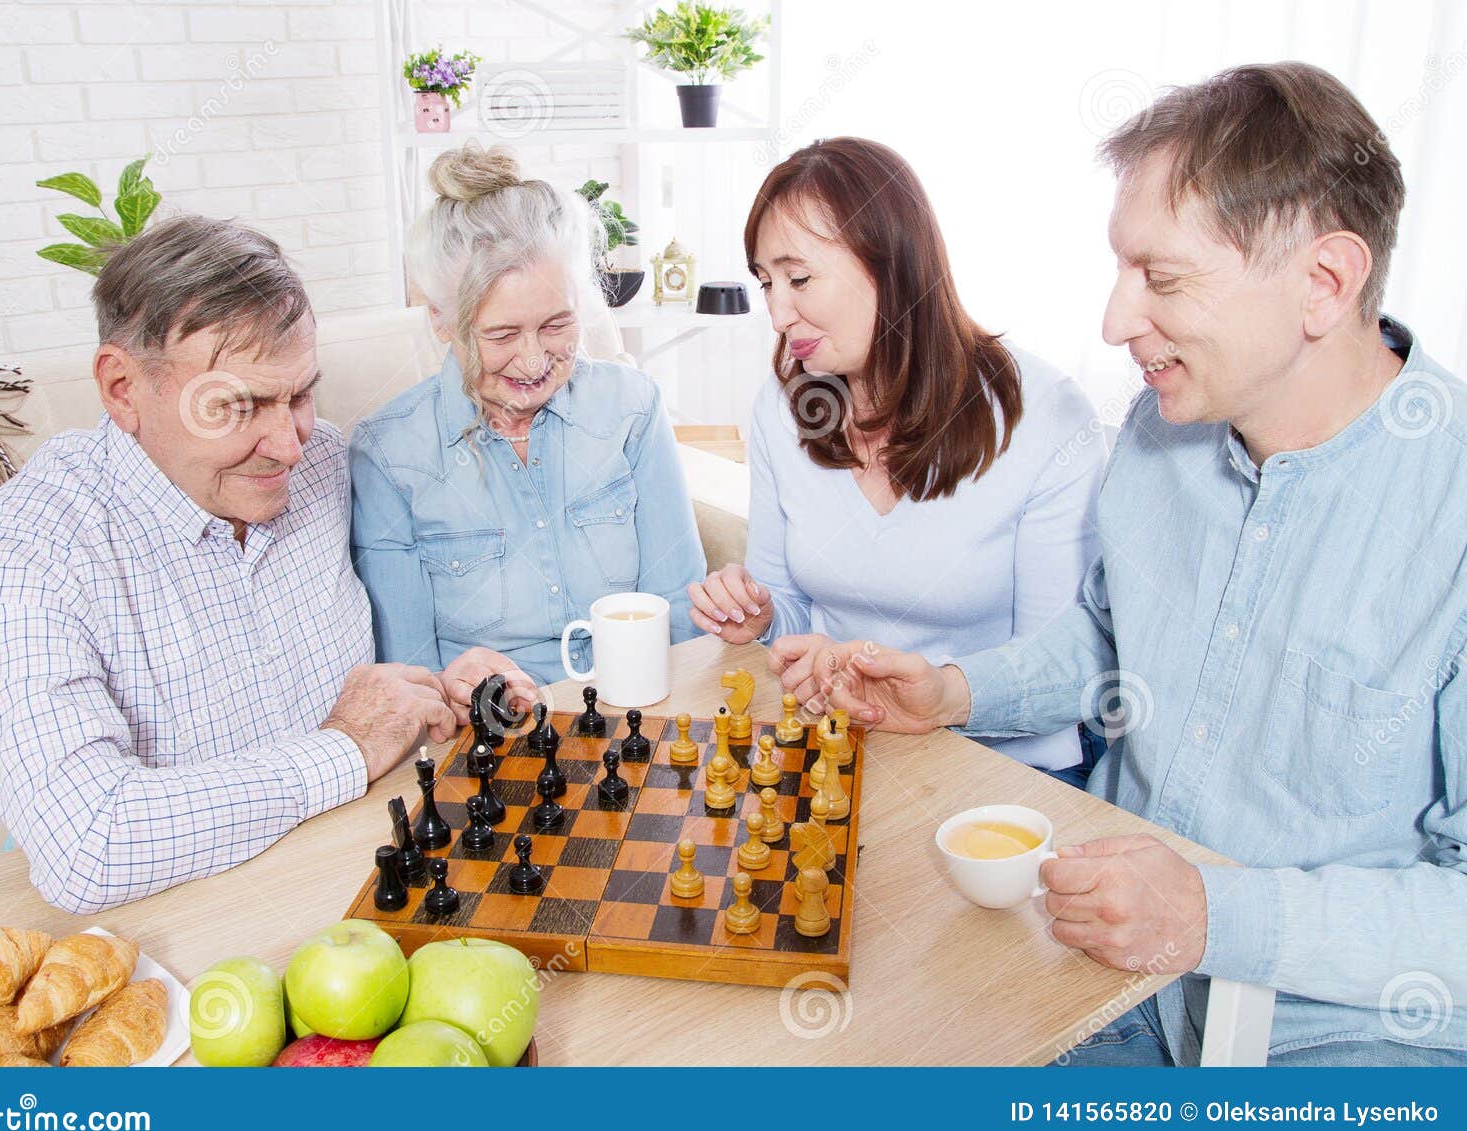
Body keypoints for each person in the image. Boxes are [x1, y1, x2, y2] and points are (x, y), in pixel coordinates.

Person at [790, 64, 1466, 1065]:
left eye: (1162, 276)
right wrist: (949, 690)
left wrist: (1212, 911)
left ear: (1324, 282)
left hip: (1338, 1037)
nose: (1114, 320)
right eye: (1120, 270)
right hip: (1104, 984)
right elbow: (1112, 634)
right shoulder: (1162, 430)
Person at [0, 217, 458, 915]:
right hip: (178, 923)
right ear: (122, 387)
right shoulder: (28, 545)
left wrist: (439, 688)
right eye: (236, 405)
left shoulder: (323, 464)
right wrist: (344, 748)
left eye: (301, 394)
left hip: (365, 877)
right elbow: (86, 842)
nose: (288, 444)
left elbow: (390, 667)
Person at [687, 137, 1105, 783]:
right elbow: (790, 612)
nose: (776, 312)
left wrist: (939, 693)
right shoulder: (784, 405)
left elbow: (1061, 665)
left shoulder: (1044, 415)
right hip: (840, 746)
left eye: (798, 279)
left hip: (1002, 770)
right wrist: (763, 617)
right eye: (766, 282)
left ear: (894, 264)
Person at [350, 143, 706, 710]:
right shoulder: (388, 453)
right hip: (498, 731)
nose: (536, 361)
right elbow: (411, 670)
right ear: (441, 320)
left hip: (644, 703)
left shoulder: (632, 408)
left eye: (557, 324)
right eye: (501, 335)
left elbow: (680, 608)